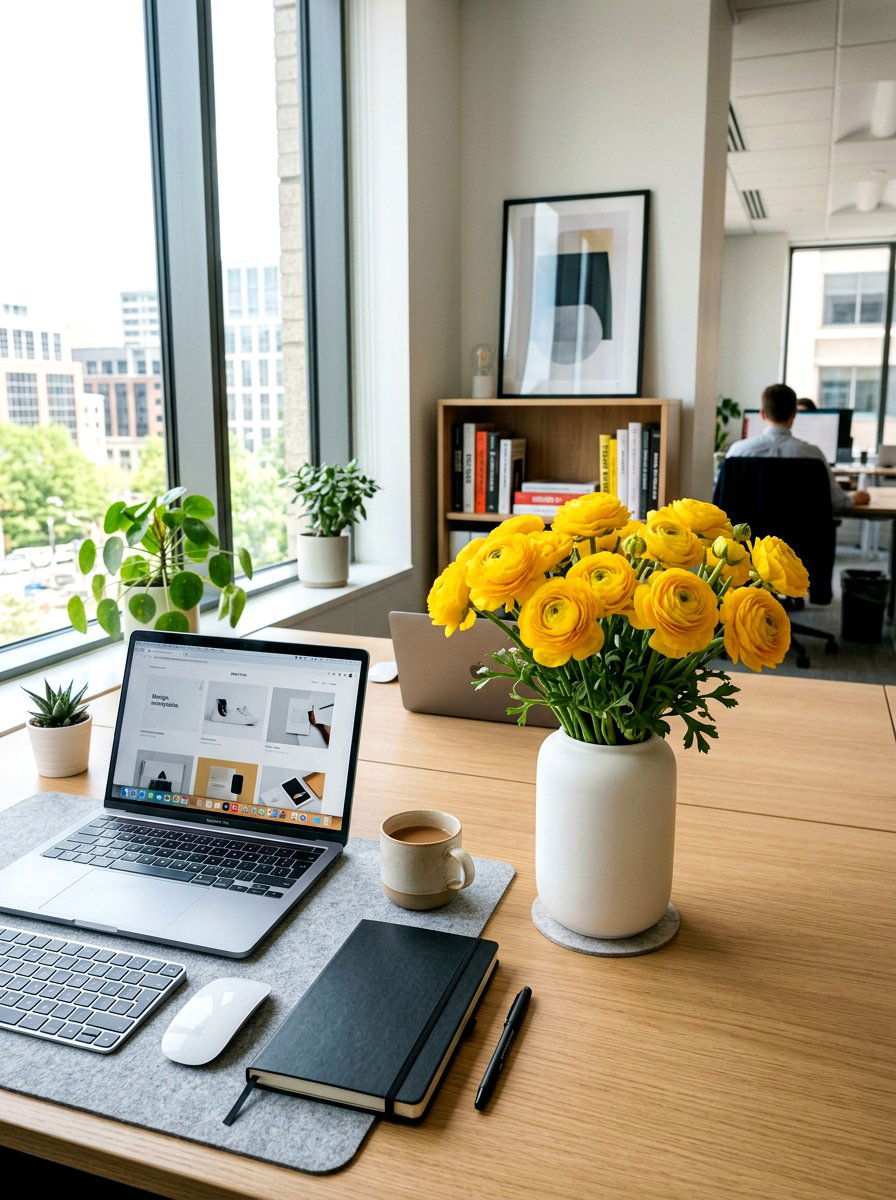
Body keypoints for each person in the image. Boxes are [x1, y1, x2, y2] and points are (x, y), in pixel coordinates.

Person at [726, 383, 869, 510]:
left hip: (749, 539)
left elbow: (723, 499)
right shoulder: (813, 455)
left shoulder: (736, 452)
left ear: (762, 414)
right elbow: (836, 501)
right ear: (794, 414)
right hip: (800, 539)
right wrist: (853, 498)